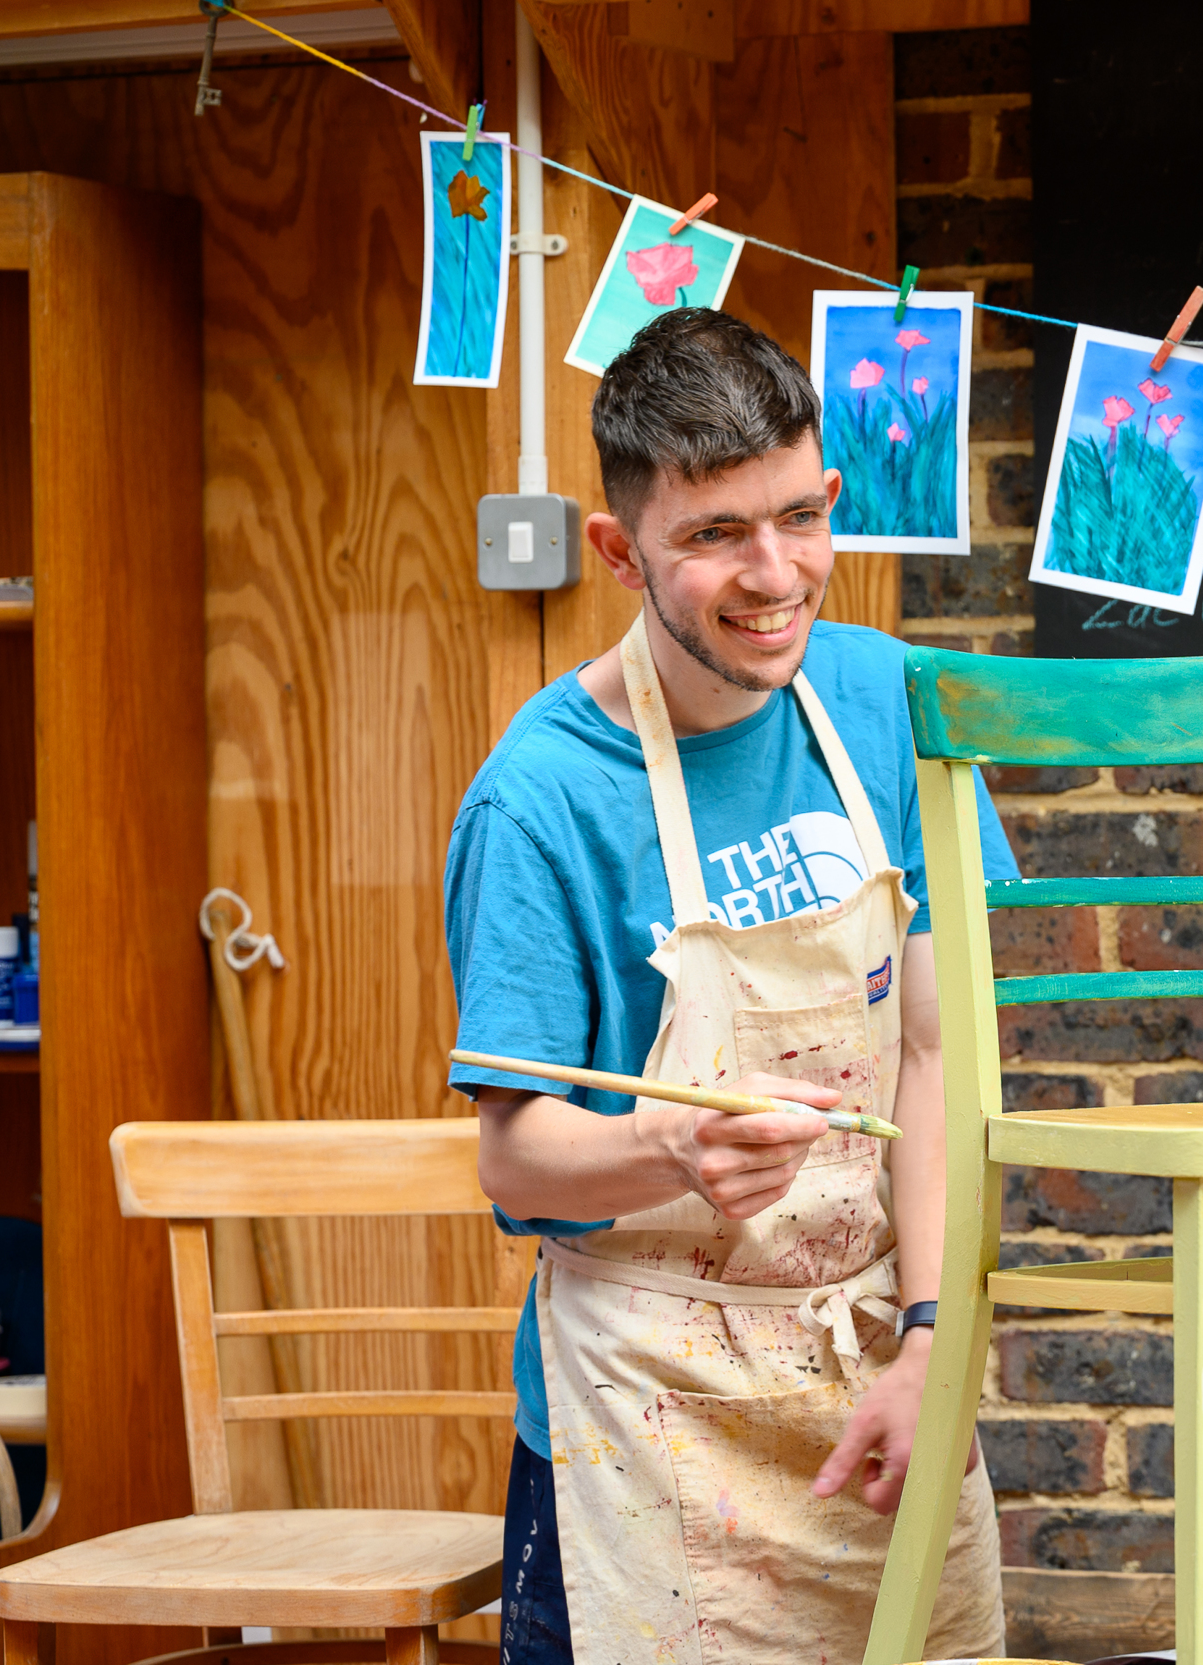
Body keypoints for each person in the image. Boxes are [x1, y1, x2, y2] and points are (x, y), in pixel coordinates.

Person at [443, 307, 1015, 1665]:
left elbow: (938, 1058)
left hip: (878, 1382)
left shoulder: (893, 705)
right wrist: (672, 1146)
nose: (777, 575)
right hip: (642, 1425)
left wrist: (936, 1337)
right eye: (714, 536)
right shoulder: (539, 800)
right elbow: (515, 1164)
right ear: (618, 550)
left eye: (799, 516)